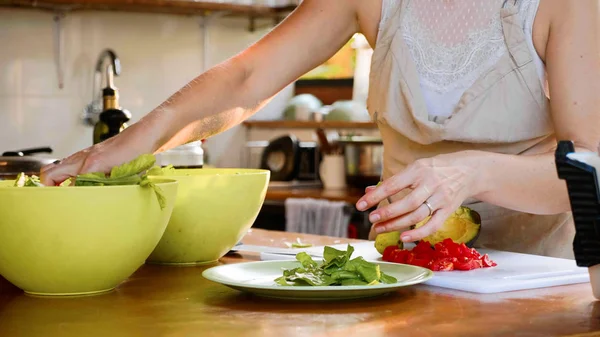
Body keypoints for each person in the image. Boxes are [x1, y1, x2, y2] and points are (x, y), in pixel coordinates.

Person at [41, 0, 599, 259]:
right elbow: (245, 78)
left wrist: (472, 171)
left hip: (534, 284)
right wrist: (131, 141)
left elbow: (590, 168)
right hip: (405, 279)